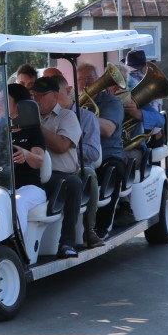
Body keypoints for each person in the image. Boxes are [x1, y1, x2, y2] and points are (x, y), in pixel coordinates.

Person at [45, 69, 104, 248]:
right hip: (51, 165)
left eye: (58, 95)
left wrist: (69, 144)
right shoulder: (44, 116)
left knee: (90, 176)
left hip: (79, 165)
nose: (53, 100)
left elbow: (93, 153)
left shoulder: (87, 116)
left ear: (68, 91)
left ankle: (90, 229)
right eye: (49, 95)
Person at [31, 76, 82, 259]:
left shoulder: (68, 117)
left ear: (54, 96)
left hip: (60, 176)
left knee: (74, 183)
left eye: (42, 95)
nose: (36, 99)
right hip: (33, 174)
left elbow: (61, 145)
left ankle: (67, 243)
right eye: (34, 94)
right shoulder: (27, 117)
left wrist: (35, 127)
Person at [76, 62, 126, 238]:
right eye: (80, 80)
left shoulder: (112, 102)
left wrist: (81, 117)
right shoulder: (76, 104)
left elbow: (108, 129)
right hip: (84, 155)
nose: (85, 83)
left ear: (98, 79)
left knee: (113, 170)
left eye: (89, 78)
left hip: (108, 154)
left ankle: (103, 225)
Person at [2, 83, 47, 231]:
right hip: (3, 188)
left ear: (19, 105)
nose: (1, 104)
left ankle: (18, 250)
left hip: (30, 187)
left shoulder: (32, 131)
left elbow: (39, 161)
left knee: (18, 202)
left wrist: (26, 154)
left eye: (5, 100)